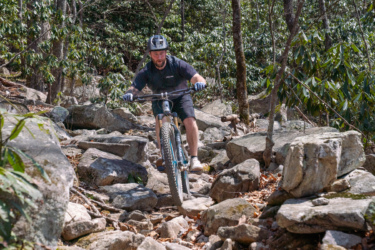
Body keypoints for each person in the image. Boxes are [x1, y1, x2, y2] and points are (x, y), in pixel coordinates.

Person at [123, 35, 207, 172]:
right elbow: (134, 87)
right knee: (160, 121)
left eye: (162, 53)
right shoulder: (147, 70)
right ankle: (165, 155)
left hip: (181, 96)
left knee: (190, 120)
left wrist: (199, 83)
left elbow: (196, 76)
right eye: (156, 54)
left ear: (166, 52)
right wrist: (130, 94)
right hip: (159, 98)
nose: (159, 57)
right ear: (150, 54)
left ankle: (194, 158)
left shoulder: (177, 64)